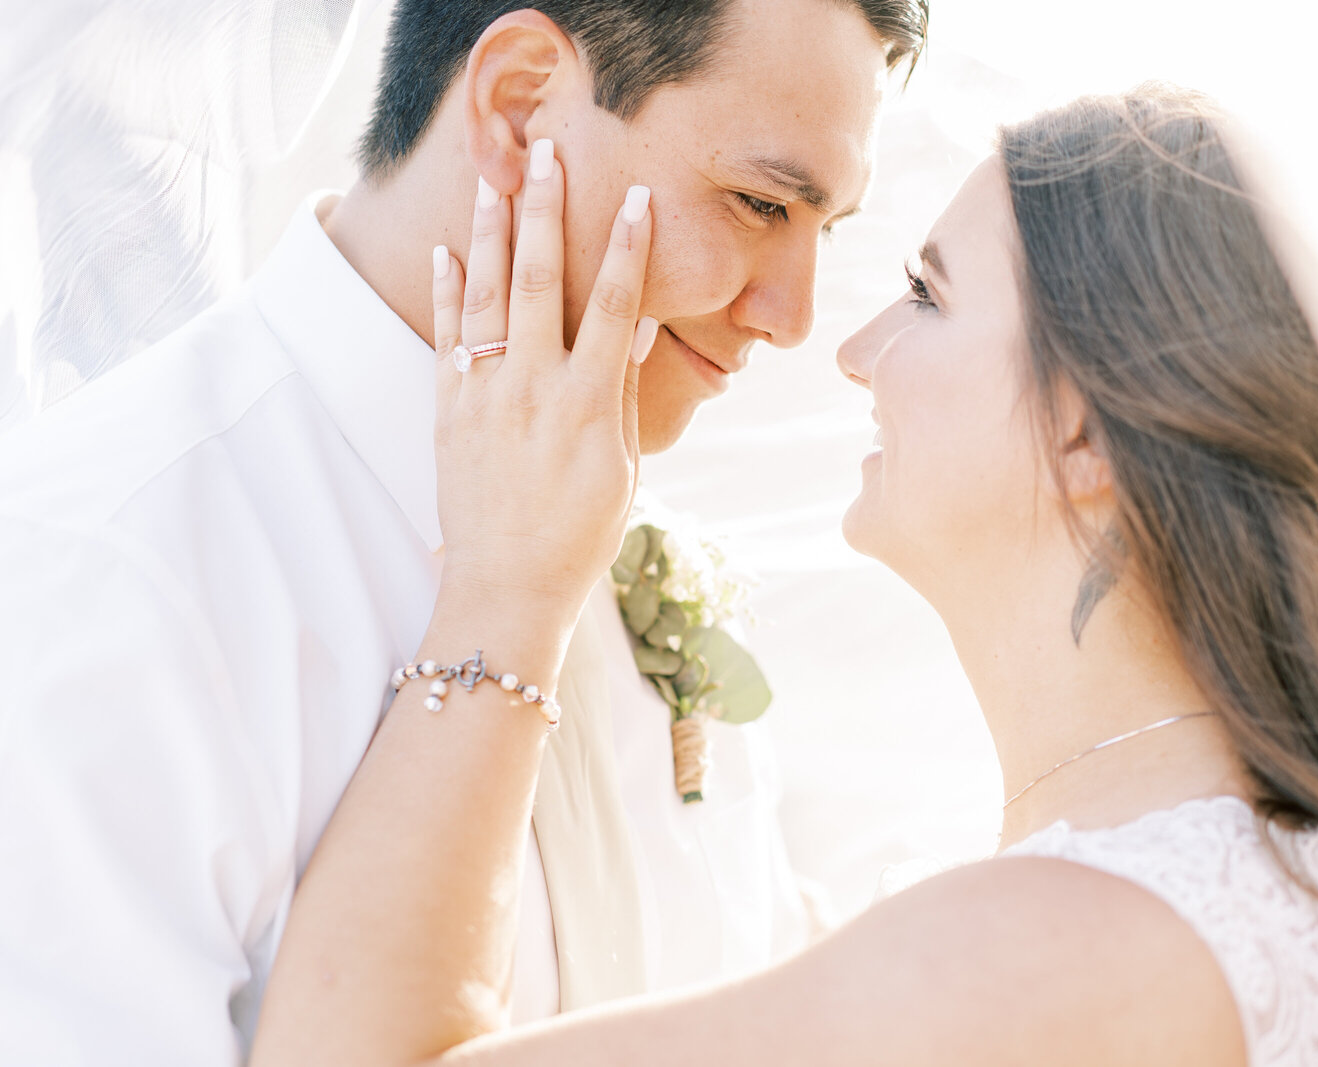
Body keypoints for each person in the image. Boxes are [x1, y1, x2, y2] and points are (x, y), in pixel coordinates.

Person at [248, 85, 1318, 1066]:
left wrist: (508, 588)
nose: (854, 348)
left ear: (1088, 428)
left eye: (928, 294)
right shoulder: (1289, 891)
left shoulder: (1065, 946)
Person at [0, 1, 926, 1061]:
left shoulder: (629, 540)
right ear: (521, 107)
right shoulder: (99, 581)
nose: (794, 314)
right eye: (759, 202)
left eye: (828, 228)